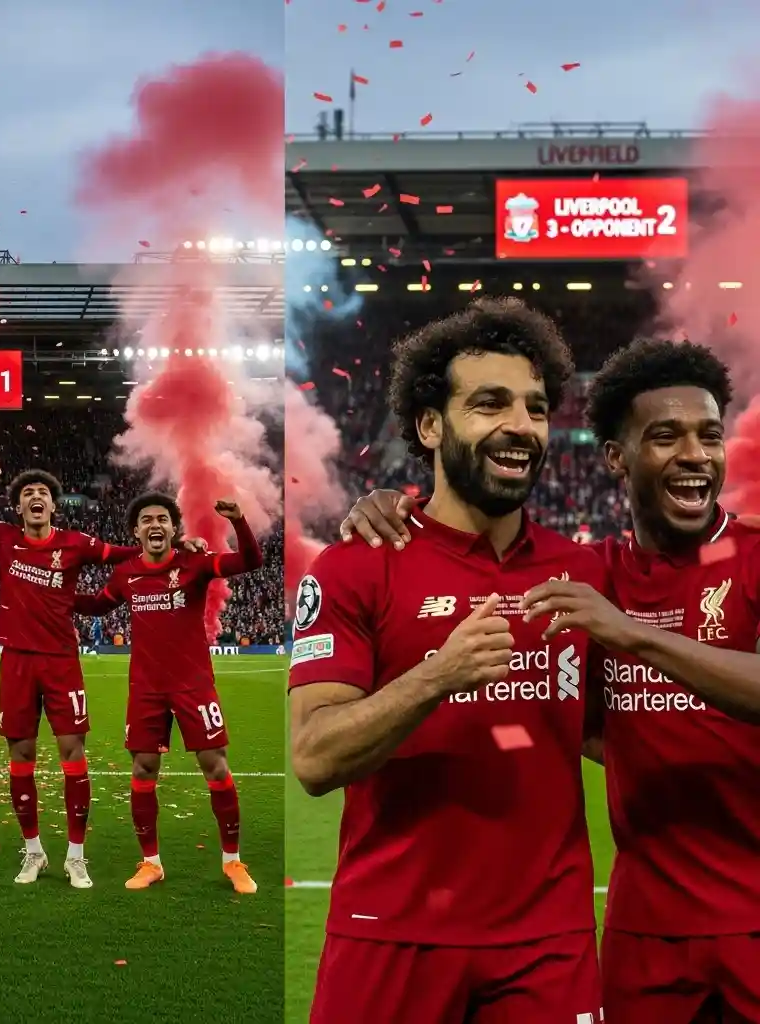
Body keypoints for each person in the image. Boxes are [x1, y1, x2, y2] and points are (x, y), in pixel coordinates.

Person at [338, 339, 760, 1023]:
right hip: (642, 930)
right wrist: (389, 503)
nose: (695, 454)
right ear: (616, 459)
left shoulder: (751, 554)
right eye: (667, 436)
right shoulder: (593, 573)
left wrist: (634, 635)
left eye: (710, 436)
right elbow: (588, 721)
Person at [288, 297, 606, 1024]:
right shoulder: (355, 569)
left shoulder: (583, 572)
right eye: (489, 403)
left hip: (547, 944)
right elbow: (312, 758)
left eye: (534, 407)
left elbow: (617, 731)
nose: (520, 427)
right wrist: (437, 675)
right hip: (390, 936)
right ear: (430, 426)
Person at [0, 462, 206, 888]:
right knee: (22, 757)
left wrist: (180, 550)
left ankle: (76, 856)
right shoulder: (4, 538)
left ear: (52, 505)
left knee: (72, 753)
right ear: (17, 506)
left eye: (43, 493)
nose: (36, 498)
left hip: (62, 662)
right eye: (27, 492)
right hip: (17, 662)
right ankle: (33, 852)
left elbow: (126, 555)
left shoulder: (75, 544)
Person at [74, 491, 263, 894]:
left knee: (216, 765)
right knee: (143, 769)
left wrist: (239, 521)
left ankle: (233, 862)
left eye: (163, 519)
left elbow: (251, 561)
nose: (155, 524)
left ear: (174, 529)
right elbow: (95, 606)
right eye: (147, 520)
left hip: (194, 686)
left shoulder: (194, 564)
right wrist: (50, 592)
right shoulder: (126, 573)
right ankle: (151, 863)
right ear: (135, 531)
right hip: (146, 690)